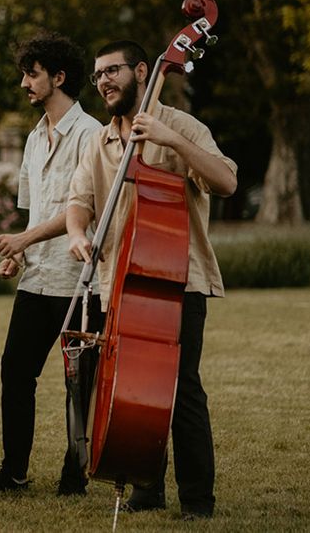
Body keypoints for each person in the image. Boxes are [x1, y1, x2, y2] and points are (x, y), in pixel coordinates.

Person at [66, 40, 237, 519]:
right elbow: (78, 202)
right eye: (98, 75)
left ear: (142, 71)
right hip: (117, 283)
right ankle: (144, 483)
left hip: (177, 283)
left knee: (181, 390)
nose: (103, 81)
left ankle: (198, 501)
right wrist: (78, 235)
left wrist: (170, 139)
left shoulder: (182, 126)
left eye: (112, 71)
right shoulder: (99, 141)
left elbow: (226, 182)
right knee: (130, 386)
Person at [0, 32, 103, 495]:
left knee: (79, 383)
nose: (24, 84)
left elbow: (79, 211)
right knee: (15, 370)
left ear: (59, 76)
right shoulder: (33, 137)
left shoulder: (91, 135)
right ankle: (14, 471)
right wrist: (20, 254)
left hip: (80, 279)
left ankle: (76, 474)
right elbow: (33, 213)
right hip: (38, 277)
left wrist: (23, 238)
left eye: (32, 75)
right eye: (24, 75)